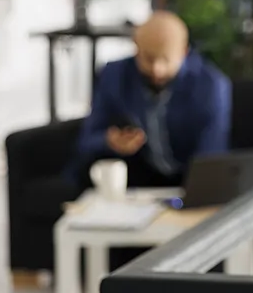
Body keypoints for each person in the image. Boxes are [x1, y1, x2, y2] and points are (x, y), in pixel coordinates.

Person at [65, 10, 232, 190]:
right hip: (136, 180)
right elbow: (86, 141)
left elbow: (211, 155)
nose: (156, 70)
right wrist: (110, 141)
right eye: (149, 58)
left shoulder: (211, 86)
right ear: (136, 47)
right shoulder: (114, 76)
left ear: (184, 52)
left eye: (166, 60)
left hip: (188, 179)